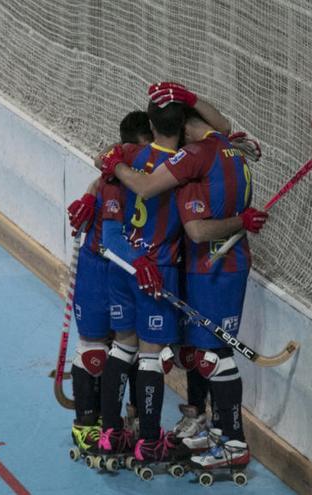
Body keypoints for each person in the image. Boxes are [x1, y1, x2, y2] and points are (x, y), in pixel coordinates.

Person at [101, 83, 269, 470]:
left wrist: (112, 165)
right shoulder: (223, 143)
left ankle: (232, 443)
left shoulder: (190, 157)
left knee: (211, 355)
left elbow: (185, 222)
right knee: (198, 353)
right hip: (199, 268)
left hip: (218, 267)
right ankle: (208, 427)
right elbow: (222, 123)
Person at [94, 100, 187, 465]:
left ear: (150, 123)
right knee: (150, 357)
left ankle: (112, 431)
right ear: (182, 126)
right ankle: (149, 441)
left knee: (121, 349)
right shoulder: (186, 162)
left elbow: (103, 157)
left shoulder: (130, 153)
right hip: (157, 268)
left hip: (124, 266)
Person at [64, 110, 153, 455]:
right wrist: (91, 194)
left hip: (130, 268)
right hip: (99, 264)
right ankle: (86, 424)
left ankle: (122, 418)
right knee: (95, 346)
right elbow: (105, 166)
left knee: (126, 347)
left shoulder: (148, 165)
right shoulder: (122, 164)